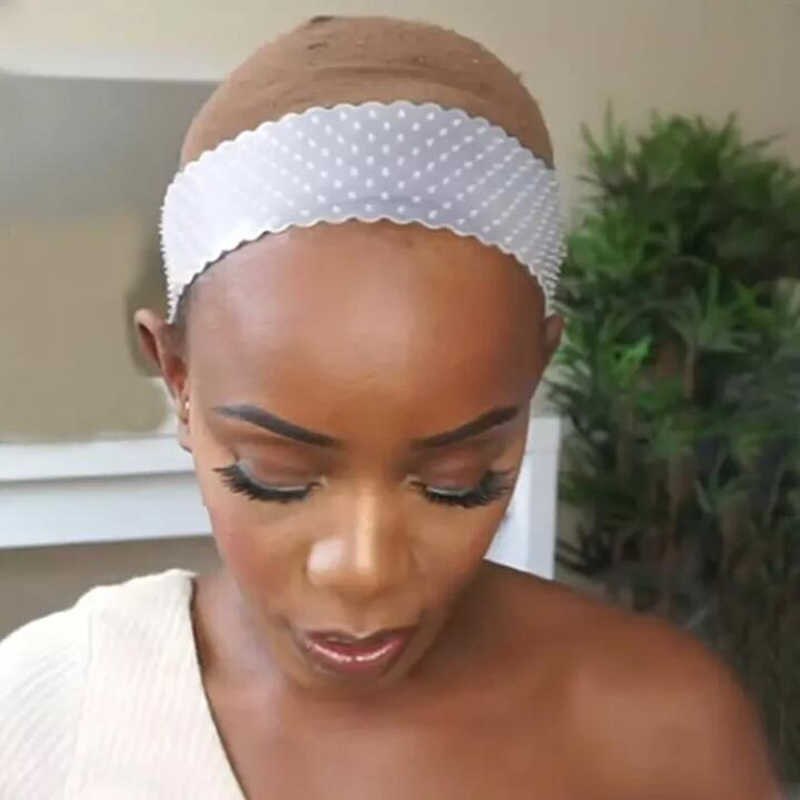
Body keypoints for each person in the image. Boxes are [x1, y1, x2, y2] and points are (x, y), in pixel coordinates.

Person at [0, 15, 782, 799]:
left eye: (458, 480)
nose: (364, 571)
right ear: (178, 379)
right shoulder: (47, 711)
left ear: (533, 374)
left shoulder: (665, 733)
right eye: (274, 476)